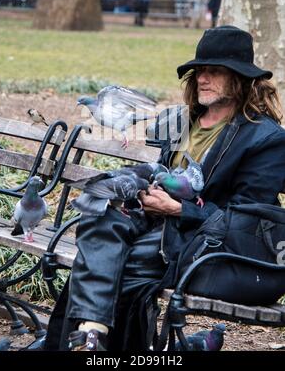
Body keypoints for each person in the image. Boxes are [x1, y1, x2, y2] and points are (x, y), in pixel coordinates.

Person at [44, 25, 285, 352]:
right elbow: (163, 175)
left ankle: (82, 342)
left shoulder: (264, 138)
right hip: (162, 225)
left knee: (118, 262)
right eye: (199, 71)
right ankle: (90, 335)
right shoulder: (183, 123)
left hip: (211, 246)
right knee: (97, 221)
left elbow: (245, 220)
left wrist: (178, 209)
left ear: (239, 78)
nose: (203, 78)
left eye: (215, 72)